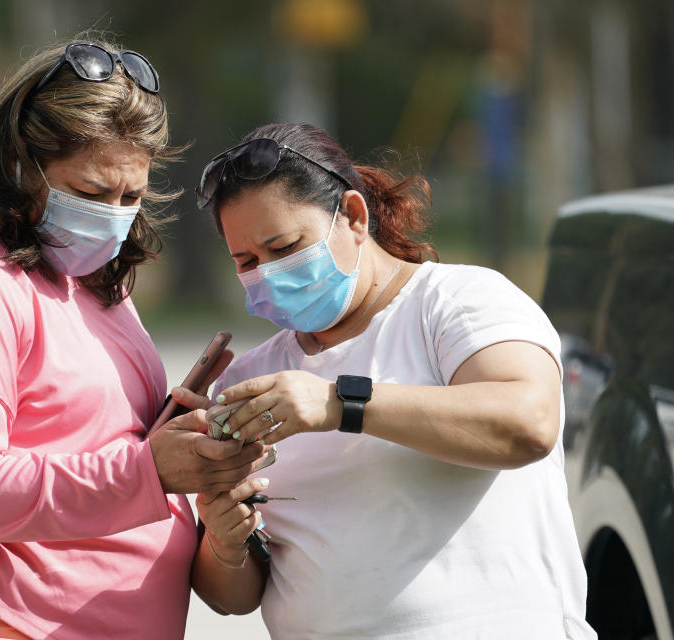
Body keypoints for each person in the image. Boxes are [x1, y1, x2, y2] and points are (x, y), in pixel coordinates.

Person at [0, 38, 268, 640]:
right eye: (92, 192)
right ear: (19, 164)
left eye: (131, 196)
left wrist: (184, 453)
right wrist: (148, 472)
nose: (114, 214)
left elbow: (89, 439)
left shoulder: (79, 271)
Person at [185, 122, 596, 639]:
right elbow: (230, 599)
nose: (267, 273)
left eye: (286, 247)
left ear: (354, 217)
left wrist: (339, 403)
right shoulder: (252, 379)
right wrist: (225, 541)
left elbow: (529, 424)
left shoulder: (457, 303)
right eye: (246, 261)